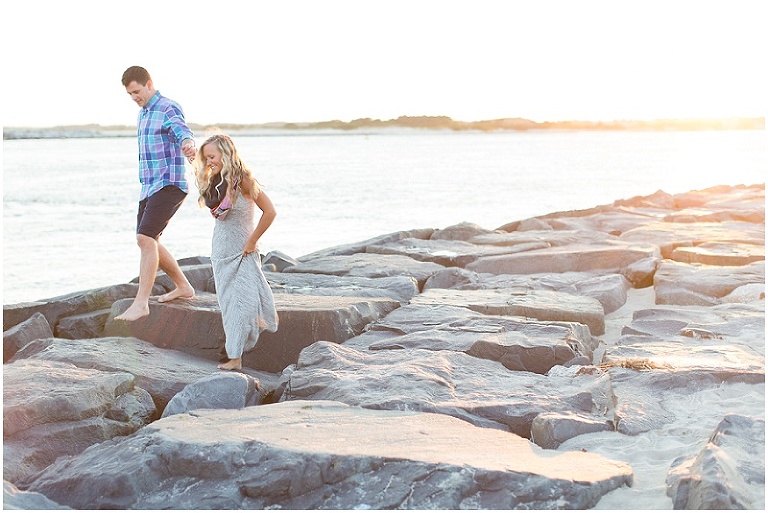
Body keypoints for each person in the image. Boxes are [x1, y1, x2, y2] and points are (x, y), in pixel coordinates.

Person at [116, 66, 197, 322]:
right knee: (149, 240)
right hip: (149, 186)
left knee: (145, 238)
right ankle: (183, 286)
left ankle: (141, 303)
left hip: (169, 183)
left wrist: (187, 143)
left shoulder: (167, 107)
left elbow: (181, 130)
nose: (134, 97)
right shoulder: (143, 114)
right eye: (130, 94)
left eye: (137, 92)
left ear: (149, 84)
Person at [195, 133, 279, 370]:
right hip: (221, 251)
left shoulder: (243, 181)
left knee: (243, 303)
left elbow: (270, 212)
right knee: (229, 305)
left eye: (212, 156)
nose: (209, 161)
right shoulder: (215, 183)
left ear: (225, 153)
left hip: (243, 252)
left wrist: (252, 242)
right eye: (206, 158)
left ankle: (236, 355)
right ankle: (236, 354)